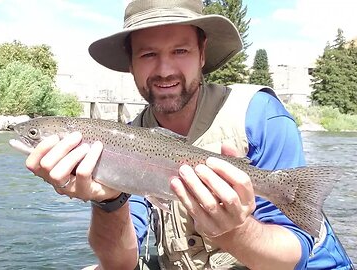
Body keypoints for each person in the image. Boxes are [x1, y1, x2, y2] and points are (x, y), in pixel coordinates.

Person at [24, 0, 353, 269]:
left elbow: (293, 259)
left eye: (180, 51)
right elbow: (121, 264)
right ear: (131, 64)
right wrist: (109, 201)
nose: (165, 69)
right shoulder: (127, 139)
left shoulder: (260, 114)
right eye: (149, 54)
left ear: (202, 54)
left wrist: (234, 230)